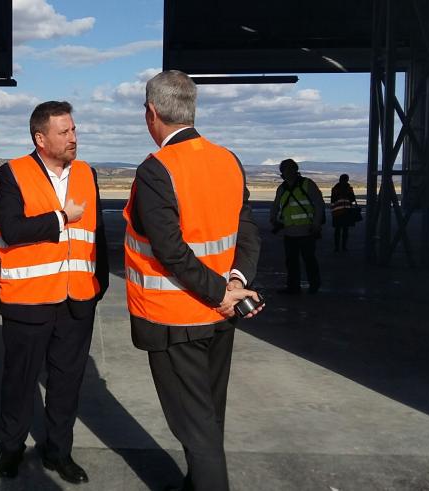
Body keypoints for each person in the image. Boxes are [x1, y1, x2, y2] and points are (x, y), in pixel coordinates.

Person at [124, 70, 262, 491]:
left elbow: (170, 251)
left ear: (152, 113)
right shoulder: (228, 159)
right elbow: (246, 229)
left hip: (175, 321)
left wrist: (221, 291)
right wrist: (235, 283)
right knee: (208, 418)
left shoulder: (156, 170)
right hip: (221, 318)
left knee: (196, 428)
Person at [0, 101, 108, 484]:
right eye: (64, 131)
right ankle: (11, 449)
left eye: (73, 129)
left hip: (77, 300)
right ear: (40, 138)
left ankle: (59, 453)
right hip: (28, 300)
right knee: (20, 382)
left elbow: (98, 235)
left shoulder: (87, 174)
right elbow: (11, 228)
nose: (73, 137)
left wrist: (97, 284)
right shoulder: (13, 173)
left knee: (66, 383)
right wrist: (60, 218)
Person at [269, 158, 325, 294]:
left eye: (290, 169)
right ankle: (293, 287)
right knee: (291, 262)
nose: (288, 172)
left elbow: (319, 205)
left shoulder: (307, 184)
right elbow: (276, 206)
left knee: (309, 260)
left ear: (295, 170)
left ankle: (314, 286)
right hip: (289, 233)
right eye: (285, 170)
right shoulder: (282, 188)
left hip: (307, 231)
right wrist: (273, 219)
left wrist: (316, 224)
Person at [330, 173, 358, 252]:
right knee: (341, 231)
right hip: (342, 212)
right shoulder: (340, 189)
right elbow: (352, 199)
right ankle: (340, 247)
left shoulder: (337, 188)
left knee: (341, 231)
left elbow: (352, 198)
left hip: (340, 212)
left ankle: (340, 247)